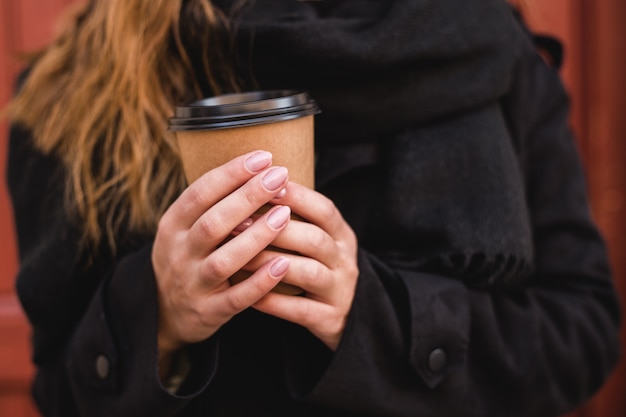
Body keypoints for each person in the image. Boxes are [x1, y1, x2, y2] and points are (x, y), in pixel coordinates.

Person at [5, 0, 621, 416]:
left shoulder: (487, 48)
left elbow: (584, 330)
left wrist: (377, 318)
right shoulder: (77, 90)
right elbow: (60, 390)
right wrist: (156, 316)